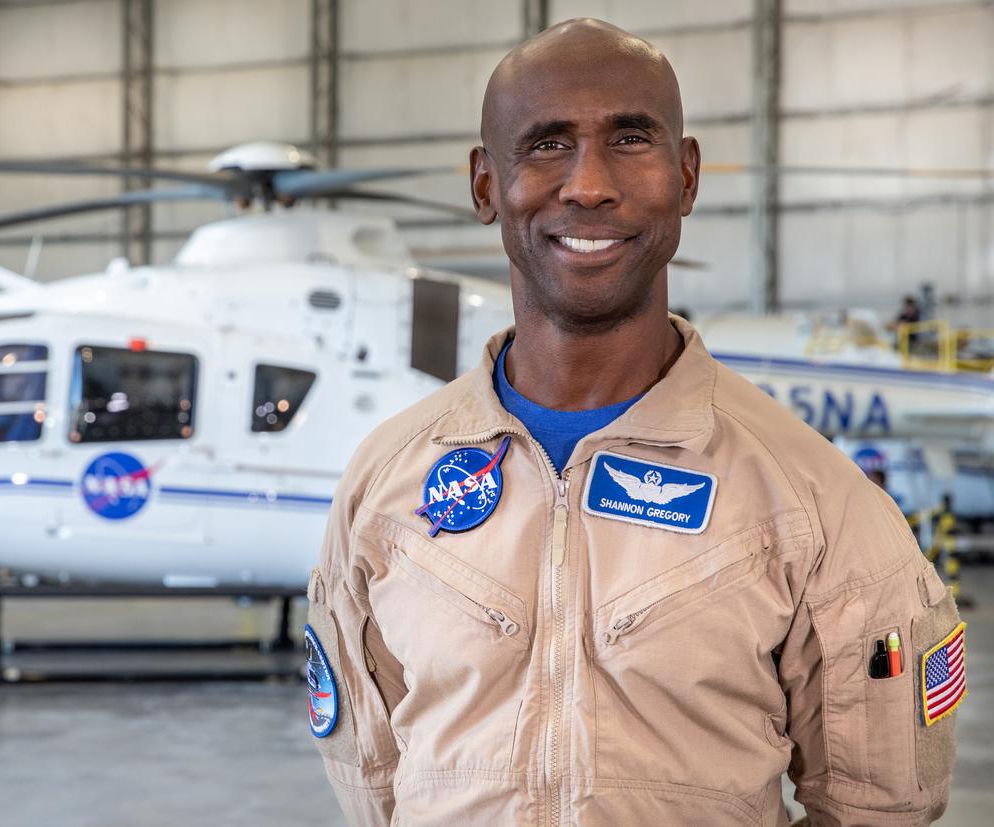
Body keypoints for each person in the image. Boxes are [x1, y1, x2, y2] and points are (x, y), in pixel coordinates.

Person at [306, 19, 962, 826]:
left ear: (686, 177)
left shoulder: (814, 500)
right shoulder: (386, 482)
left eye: (629, 139)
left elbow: (882, 806)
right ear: (485, 185)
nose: (588, 184)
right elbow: (372, 779)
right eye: (546, 145)